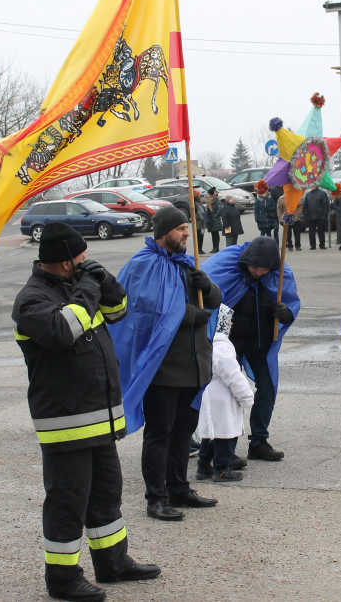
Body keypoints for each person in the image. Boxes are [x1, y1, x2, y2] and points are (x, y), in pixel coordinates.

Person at [11, 222, 159, 600]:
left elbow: (118, 311)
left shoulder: (75, 286)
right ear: (63, 264)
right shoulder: (32, 300)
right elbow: (63, 331)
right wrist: (87, 287)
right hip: (66, 422)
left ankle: (113, 563)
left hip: (99, 416)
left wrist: (104, 280)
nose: (85, 262)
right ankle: (62, 579)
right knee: (68, 500)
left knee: (107, 492)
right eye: (80, 259)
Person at [110, 207, 222, 522]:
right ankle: (155, 498)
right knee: (159, 434)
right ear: (163, 232)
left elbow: (215, 300)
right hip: (161, 367)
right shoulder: (143, 265)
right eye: (181, 228)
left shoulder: (189, 265)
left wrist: (207, 286)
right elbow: (145, 309)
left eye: (187, 228)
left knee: (184, 434)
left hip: (193, 365)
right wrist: (189, 315)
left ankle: (179, 489)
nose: (187, 233)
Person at [202, 236, 299, 462]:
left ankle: (259, 442)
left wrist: (286, 313)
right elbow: (206, 296)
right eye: (254, 268)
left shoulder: (280, 277)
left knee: (267, 390)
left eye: (263, 270)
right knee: (227, 395)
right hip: (230, 344)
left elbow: (292, 302)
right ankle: (225, 448)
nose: (257, 273)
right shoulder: (228, 270)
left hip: (260, 344)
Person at [194, 303, 255, 483]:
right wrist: (246, 396)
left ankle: (203, 465)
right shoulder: (222, 347)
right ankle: (221, 468)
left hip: (208, 396)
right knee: (226, 436)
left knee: (210, 435)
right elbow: (233, 376)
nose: (231, 325)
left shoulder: (205, 342)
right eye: (229, 322)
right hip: (223, 399)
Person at [304, 184, 330, 250]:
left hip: (320, 216)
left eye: (312, 186)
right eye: (311, 186)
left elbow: (326, 205)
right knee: (311, 232)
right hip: (311, 216)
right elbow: (305, 206)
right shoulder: (308, 194)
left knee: (321, 231)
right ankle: (312, 245)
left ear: (316, 186)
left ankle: (322, 245)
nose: (311, 187)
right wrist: (306, 216)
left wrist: (324, 215)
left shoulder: (322, 193)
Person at [204, 187, 223, 254]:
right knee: (213, 234)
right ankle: (214, 247)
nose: (207, 195)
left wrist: (215, 216)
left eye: (209, 194)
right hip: (211, 220)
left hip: (215, 220)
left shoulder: (217, 201)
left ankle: (217, 248)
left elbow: (219, 209)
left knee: (216, 234)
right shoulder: (210, 201)